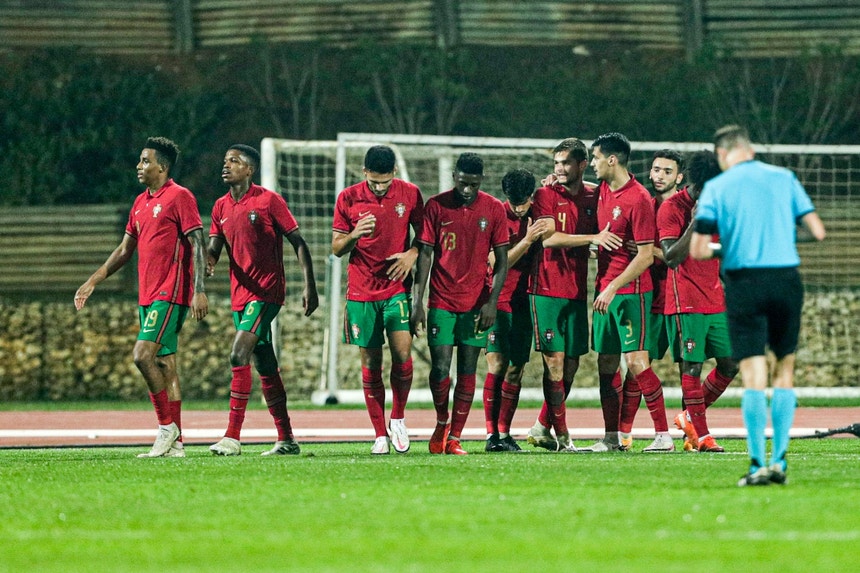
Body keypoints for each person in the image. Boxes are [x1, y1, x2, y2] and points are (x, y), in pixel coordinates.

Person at [690, 125, 825, 485]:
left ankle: (756, 465)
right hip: (785, 279)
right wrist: (780, 236)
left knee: (753, 376)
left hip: (744, 283)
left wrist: (728, 247)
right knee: (785, 370)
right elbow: (817, 231)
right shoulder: (784, 178)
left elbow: (699, 249)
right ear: (748, 148)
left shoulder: (718, 187)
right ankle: (779, 462)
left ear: (722, 154)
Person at [75, 136, 208, 458]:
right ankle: (176, 445)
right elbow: (124, 250)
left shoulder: (180, 197)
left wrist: (199, 290)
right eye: (139, 160)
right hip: (147, 294)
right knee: (166, 365)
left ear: (162, 167)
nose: (139, 166)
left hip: (170, 292)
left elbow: (198, 243)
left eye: (145, 161)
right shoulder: (140, 202)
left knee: (142, 356)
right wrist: (93, 281)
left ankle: (166, 428)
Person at [207, 144, 318, 456]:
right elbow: (215, 246)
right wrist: (207, 260)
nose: (226, 165)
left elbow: (299, 242)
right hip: (240, 296)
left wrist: (310, 286)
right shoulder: (220, 207)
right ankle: (287, 439)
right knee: (265, 365)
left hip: (266, 291)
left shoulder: (269, 201)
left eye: (234, 161)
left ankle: (232, 437)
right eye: (225, 160)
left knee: (237, 354)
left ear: (249, 169)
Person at [524, 138, 621, 452]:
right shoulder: (545, 194)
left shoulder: (594, 195)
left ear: (581, 164)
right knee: (554, 362)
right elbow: (549, 239)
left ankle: (541, 426)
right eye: (556, 164)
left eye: (566, 163)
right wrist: (594, 238)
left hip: (577, 291)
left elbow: (601, 195)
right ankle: (564, 438)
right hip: (546, 288)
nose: (560, 169)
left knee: (572, 364)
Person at [411, 152, 509, 455]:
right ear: (455, 177)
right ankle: (442, 421)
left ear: (481, 181)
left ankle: (454, 437)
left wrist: (492, 302)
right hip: (441, 300)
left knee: (468, 369)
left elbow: (503, 261)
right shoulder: (437, 206)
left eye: (474, 185)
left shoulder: (493, 209)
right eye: (463, 183)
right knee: (440, 368)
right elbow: (425, 254)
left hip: (477, 303)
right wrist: (418, 301)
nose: (468, 190)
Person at [332, 145, 424, 455]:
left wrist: (412, 253)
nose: (380, 187)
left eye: (385, 182)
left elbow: (424, 238)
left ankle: (398, 418)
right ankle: (378, 433)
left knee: (402, 354)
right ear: (364, 174)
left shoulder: (410, 193)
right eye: (374, 182)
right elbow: (336, 248)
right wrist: (355, 234)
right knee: (371, 362)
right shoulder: (348, 198)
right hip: (361, 292)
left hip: (396, 289)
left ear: (394, 173)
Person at [588, 132, 673, 453]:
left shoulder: (638, 198)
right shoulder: (602, 193)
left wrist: (612, 286)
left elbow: (646, 254)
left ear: (612, 159)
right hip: (604, 292)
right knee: (606, 364)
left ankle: (663, 435)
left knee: (637, 362)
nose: (592, 164)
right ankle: (612, 438)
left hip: (631, 293)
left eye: (595, 158)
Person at [660, 150, 739, 453]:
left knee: (731, 363)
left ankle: (688, 416)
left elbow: (722, 248)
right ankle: (703, 437)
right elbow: (670, 257)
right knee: (691, 367)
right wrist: (694, 224)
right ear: (697, 184)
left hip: (715, 297)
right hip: (685, 298)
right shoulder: (672, 208)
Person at [619, 149, 685, 449]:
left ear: (679, 177)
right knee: (637, 367)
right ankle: (623, 433)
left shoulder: (683, 208)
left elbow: (679, 257)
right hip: (651, 298)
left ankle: (693, 430)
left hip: (680, 298)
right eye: (656, 169)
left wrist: (648, 251)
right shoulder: (643, 202)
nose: (659, 175)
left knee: (689, 368)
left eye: (667, 171)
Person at [483, 168, 550, 452]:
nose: (520, 209)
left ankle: (504, 433)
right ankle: (490, 437)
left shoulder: (540, 211)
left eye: (524, 203)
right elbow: (495, 262)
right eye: (515, 203)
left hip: (526, 302)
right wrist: (527, 240)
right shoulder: (495, 214)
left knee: (515, 369)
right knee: (497, 365)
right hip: (497, 300)